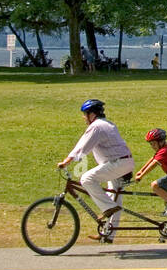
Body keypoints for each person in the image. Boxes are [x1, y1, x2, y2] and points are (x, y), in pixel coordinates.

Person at [56, 99, 135, 243]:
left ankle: (108, 208)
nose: (84, 117)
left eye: (85, 114)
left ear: (92, 114)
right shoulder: (108, 123)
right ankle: (108, 235)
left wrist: (66, 161)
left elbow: (82, 146)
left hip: (118, 163)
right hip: (122, 162)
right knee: (114, 197)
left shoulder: (97, 126)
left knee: (86, 179)